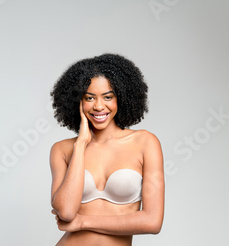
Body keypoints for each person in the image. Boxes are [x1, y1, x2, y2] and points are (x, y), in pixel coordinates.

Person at [49, 54, 164, 246]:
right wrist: (80, 145)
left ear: (122, 98)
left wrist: (83, 221)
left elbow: (152, 222)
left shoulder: (145, 143)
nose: (99, 106)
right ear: (78, 101)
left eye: (108, 97)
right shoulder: (63, 149)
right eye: (89, 98)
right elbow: (67, 212)